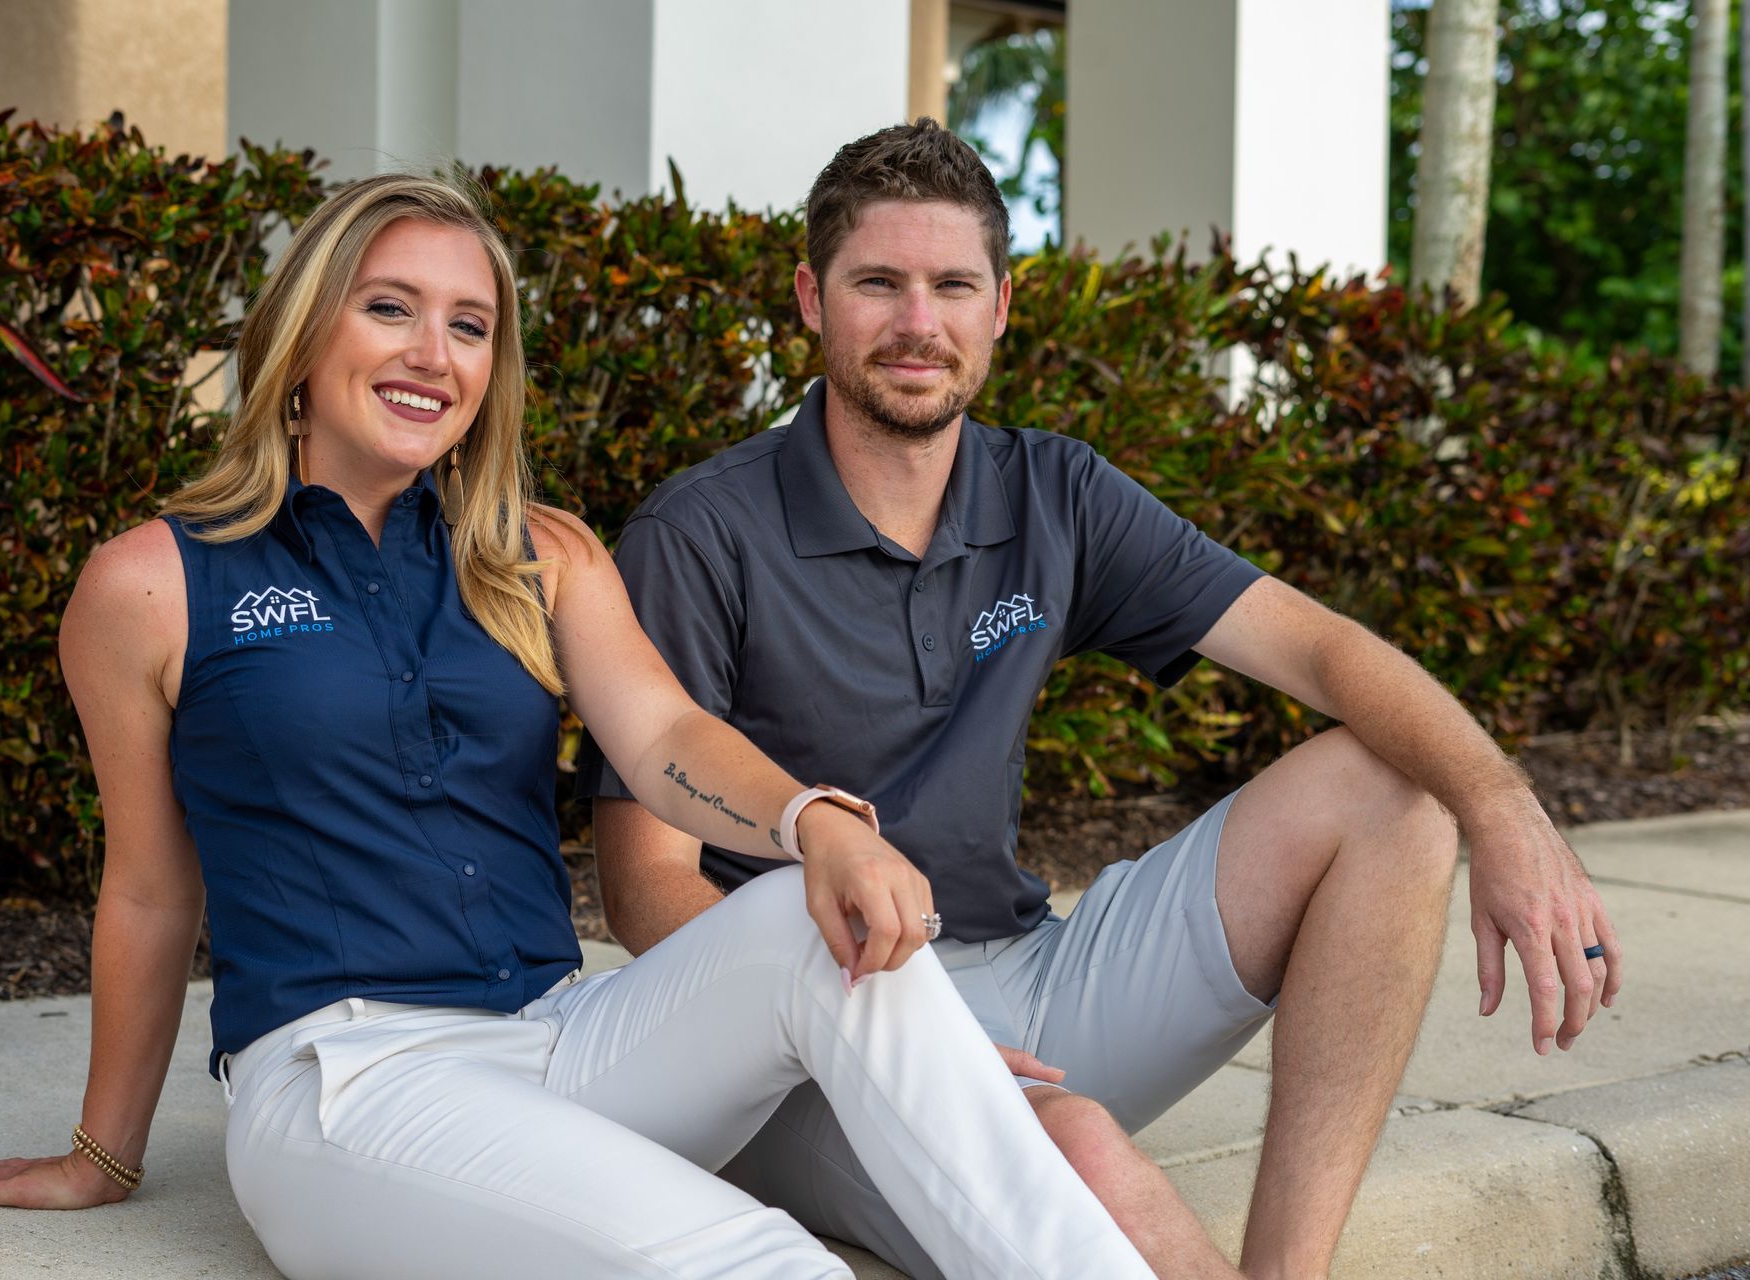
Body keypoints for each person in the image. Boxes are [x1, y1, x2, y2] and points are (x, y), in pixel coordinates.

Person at [0, 174, 1159, 1280]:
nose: (435, 354)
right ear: (304, 333)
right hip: (350, 1079)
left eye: (470, 326)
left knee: (810, 902)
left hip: (565, 1038)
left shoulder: (539, 556)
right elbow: (152, 891)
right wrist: (103, 1151)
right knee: (753, 1256)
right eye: (390, 309)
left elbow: (666, 737)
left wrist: (812, 821)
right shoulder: (150, 584)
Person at [577, 120, 1624, 1280]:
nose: (918, 322)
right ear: (812, 301)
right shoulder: (703, 531)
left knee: (1398, 789)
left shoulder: (1053, 490)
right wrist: (896, 1037)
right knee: (1077, 1146)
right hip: (804, 1037)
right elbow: (645, 888)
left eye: (952, 286)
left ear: (1002, 308)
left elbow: (1321, 649)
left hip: (1029, 979)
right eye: (878, 282)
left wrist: (1502, 805)